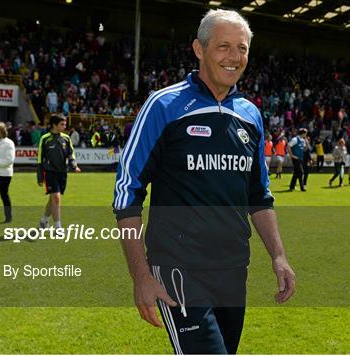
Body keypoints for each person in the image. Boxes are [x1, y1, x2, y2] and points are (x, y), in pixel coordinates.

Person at [113, 9, 295, 355]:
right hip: (179, 272)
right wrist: (141, 276)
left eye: (241, 48)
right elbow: (127, 194)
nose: (234, 57)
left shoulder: (251, 115)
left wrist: (279, 257)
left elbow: (259, 197)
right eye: (224, 46)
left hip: (233, 270)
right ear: (199, 49)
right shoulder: (164, 106)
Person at [37, 114, 81, 229]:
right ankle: (58, 227)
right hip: (49, 172)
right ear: (54, 125)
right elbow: (40, 159)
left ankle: (44, 220)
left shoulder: (66, 138)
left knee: (53, 199)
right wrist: (40, 176)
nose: (65, 126)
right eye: (62, 124)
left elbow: (71, 154)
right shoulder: (45, 138)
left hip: (62, 172)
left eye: (65, 124)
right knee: (56, 198)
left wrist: (74, 165)